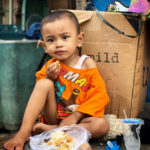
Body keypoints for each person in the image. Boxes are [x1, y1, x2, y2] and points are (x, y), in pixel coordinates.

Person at [4, 10, 110, 150]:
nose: (58, 44)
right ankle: (24, 131)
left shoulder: (86, 63)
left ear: (79, 40)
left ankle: (52, 130)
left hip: (80, 118)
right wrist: (49, 77)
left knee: (102, 125)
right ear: (45, 47)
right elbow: (40, 95)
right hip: (54, 115)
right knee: (44, 83)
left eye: (65, 37)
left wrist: (76, 115)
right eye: (51, 40)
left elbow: (100, 94)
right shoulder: (50, 66)